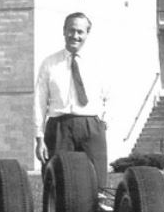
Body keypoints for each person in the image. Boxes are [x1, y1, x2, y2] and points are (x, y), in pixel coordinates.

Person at [35, 12, 110, 188]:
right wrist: (39, 138)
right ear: (64, 31)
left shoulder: (98, 62)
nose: (75, 36)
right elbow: (39, 101)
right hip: (59, 126)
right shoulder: (49, 63)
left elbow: (110, 96)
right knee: (56, 181)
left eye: (80, 32)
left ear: (86, 34)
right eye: (71, 30)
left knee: (97, 183)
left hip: (91, 125)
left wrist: (104, 121)